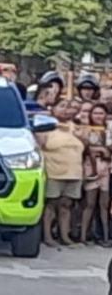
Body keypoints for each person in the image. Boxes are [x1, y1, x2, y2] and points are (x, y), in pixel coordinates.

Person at [38, 99, 85, 246]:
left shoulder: (75, 127)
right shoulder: (46, 127)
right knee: (51, 205)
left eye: (69, 107)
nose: (66, 110)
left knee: (66, 205)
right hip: (54, 173)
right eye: (62, 106)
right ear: (53, 109)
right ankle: (47, 236)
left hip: (74, 173)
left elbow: (86, 145)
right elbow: (39, 147)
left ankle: (64, 236)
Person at [81, 103, 111, 245]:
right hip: (91, 168)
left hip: (106, 168)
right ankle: (83, 236)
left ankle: (105, 236)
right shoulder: (86, 130)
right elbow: (86, 148)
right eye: (95, 113)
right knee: (90, 204)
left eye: (101, 113)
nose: (98, 116)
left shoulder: (109, 130)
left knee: (104, 205)